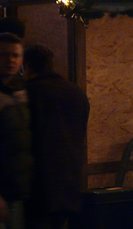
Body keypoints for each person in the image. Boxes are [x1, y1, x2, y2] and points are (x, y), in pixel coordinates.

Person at [23, 44, 90, 229]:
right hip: (69, 186)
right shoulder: (77, 94)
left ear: (26, 66)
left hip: (38, 188)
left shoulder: (27, 94)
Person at [0, 33, 31, 229]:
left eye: (15, 55)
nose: (10, 60)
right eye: (3, 54)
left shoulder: (21, 92)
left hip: (17, 193)